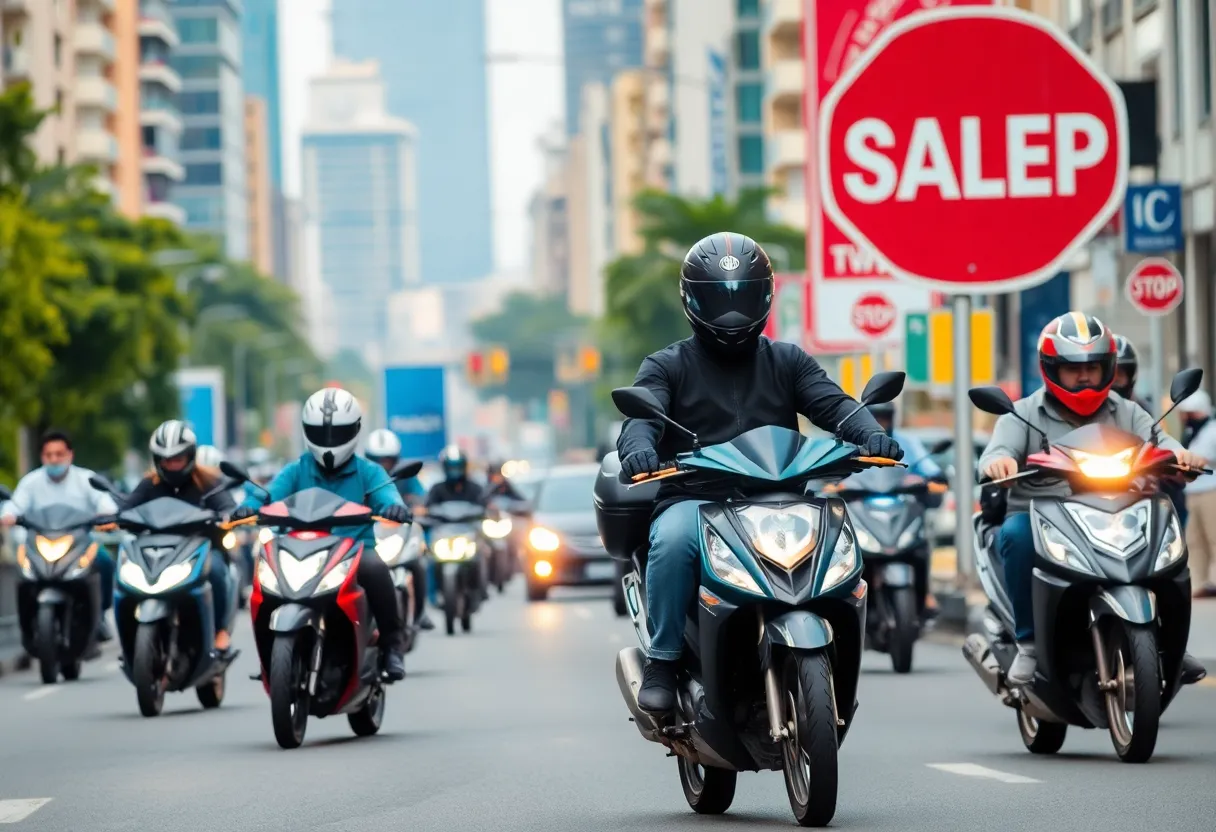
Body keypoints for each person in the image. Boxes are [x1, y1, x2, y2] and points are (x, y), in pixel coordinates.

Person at [616, 232, 903, 714]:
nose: (732, 313)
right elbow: (641, 421)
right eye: (715, 298)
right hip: (697, 500)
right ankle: (663, 660)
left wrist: (870, 434)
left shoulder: (788, 360)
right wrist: (640, 450)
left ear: (766, 296)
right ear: (691, 299)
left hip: (781, 500)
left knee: (837, 529)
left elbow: (835, 407)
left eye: (745, 296)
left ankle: (836, 646)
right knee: (670, 537)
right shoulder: (666, 365)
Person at [978, 313, 1207, 686]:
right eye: (1072, 369)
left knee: (1165, 525)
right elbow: (995, 452)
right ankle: (1029, 643)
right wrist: (998, 463)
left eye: (1094, 368)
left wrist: (1182, 456)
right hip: (1044, 515)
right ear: (1051, 369)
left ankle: (1172, 645)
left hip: (1118, 508)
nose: (1084, 377)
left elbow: (1162, 442)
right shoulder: (1021, 413)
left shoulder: (1127, 410)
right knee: (1016, 535)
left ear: (1109, 368)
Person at [232, 388, 411, 680]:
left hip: (354, 550)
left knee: (377, 568)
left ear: (354, 431)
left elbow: (389, 495)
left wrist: (395, 508)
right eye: (321, 432)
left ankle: (393, 644)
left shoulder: (369, 472)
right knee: (263, 580)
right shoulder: (296, 470)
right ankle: (269, 656)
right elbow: (266, 495)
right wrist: (248, 507)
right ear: (306, 431)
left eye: (337, 433)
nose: (329, 442)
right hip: (298, 549)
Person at [121, 421, 238, 655]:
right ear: (156, 459)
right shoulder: (148, 484)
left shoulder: (208, 481)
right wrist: (112, 518)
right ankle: (129, 635)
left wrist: (228, 516)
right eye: (165, 459)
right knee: (123, 573)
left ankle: (220, 631)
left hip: (199, 551)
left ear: (190, 456)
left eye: (177, 459)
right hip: (156, 553)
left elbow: (227, 506)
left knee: (215, 569)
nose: (172, 465)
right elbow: (127, 508)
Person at [1, 429, 120, 642]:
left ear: (70, 455)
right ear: (42, 457)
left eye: (59, 454)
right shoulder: (31, 482)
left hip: (80, 543)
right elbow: (15, 505)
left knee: (105, 562)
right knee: (23, 570)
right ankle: (28, 621)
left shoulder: (86, 479)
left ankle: (100, 615)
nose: (54, 459)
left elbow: (105, 503)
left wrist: (108, 516)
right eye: (49, 455)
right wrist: (8, 515)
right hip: (39, 544)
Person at [867, 402, 943, 621]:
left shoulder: (907, 442)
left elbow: (930, 469)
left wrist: (928, 479)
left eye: (885, 419)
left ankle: (925, 593)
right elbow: (839, 475)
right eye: (876, 419)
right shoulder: (853, 442)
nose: (881, 424)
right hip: (866, 512)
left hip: (901, 512)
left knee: (920, 547)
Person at [1113, 333, 1189, 528]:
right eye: (1106, 375)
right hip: (1087, 494)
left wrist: (1174, 464)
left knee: (1174, 515)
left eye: (1118, 376)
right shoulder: (1075, 413)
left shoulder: (1145, 412)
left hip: (1141, 493)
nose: (1112, 383)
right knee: (1027, 535)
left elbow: (1165, 443)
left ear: (1130, 376)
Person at [365, 428, 433, 631]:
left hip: (399, 529)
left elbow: (420, 497)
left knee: (418, 561)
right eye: (378, 460)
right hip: (372, 531)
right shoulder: (363, 475)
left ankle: (420, 612)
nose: (383, 465)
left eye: (387, 460)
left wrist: (414, 508)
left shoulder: (406, 477)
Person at [1176, 390, 1216, 598]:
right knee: (1194, 539)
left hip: (1212, 491)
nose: (1187, 418)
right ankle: (1198, 583)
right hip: (1194, 492)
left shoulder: (1212, 430)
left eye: (1192, 413)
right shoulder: (1191, 433)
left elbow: (1204, 458)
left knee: (1214, 536)